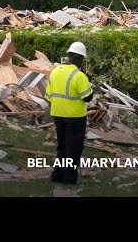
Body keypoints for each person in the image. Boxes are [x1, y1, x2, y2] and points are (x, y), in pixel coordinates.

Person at [45, 42, 93, 185]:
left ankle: (57, 176)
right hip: (75, 117)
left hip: (58, 116)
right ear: (79, 58)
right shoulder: (79, 76)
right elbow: (88, 97)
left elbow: (48, 97)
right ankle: (69, 179)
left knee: (62, 146)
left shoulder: (55, 72)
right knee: (73, 149)